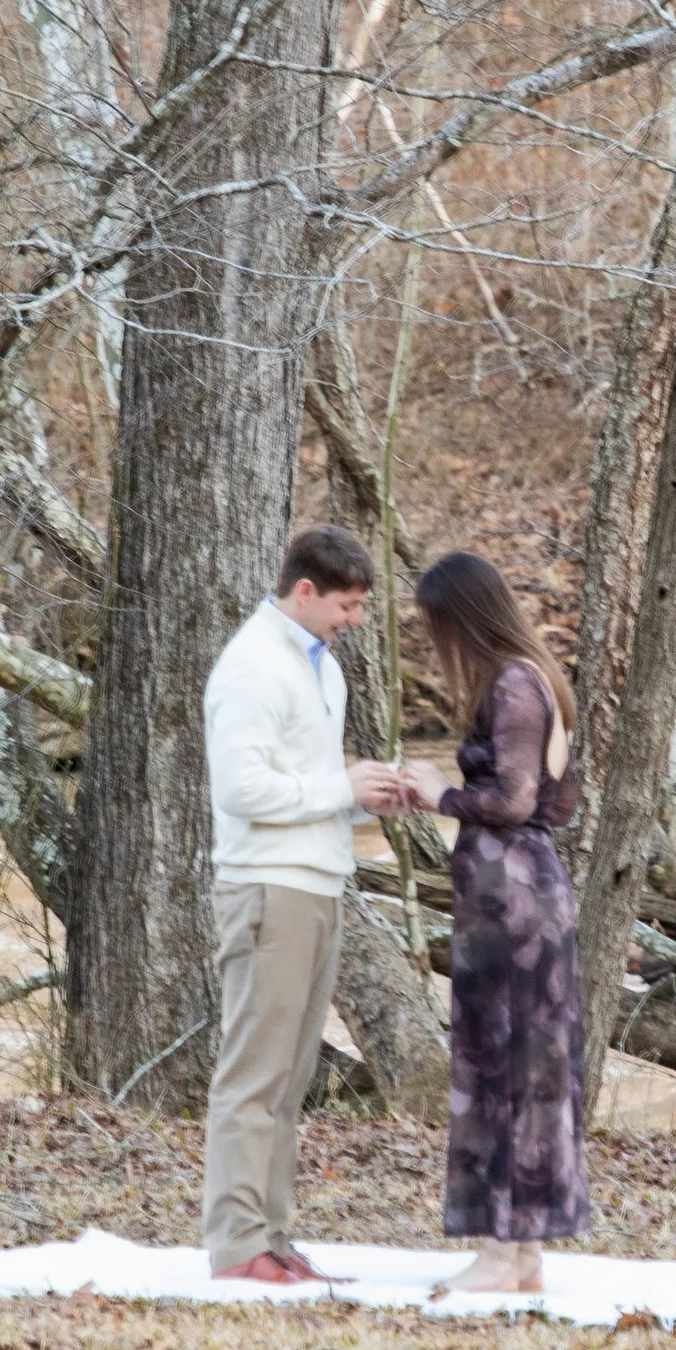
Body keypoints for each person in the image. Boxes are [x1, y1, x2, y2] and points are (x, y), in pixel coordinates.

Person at [201, 526, 408, 1286]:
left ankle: (273, 1238)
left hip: (317, 883)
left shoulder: (317, 668)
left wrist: (367, 795)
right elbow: (242, 791)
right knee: (254, 1072)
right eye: (346, 606)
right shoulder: (253, 667)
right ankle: (237, 1245)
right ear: (305, 592)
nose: (354, 620)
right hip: (268, 887)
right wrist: (340, 789)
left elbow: (308, 782)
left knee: (290, 1078)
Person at [395, 551, 588, 1297]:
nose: (437, 644)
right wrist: (441, 798)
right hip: (527, 891)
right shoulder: (540, 679)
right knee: (531, 1070)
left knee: (505, 1068)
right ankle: (525, 1253)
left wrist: (445, 794)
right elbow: (557, 803)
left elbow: (511, 799)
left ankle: (505, 1253)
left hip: (511, 902)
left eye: (439, 627)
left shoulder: (511, 682)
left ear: (464, 620)